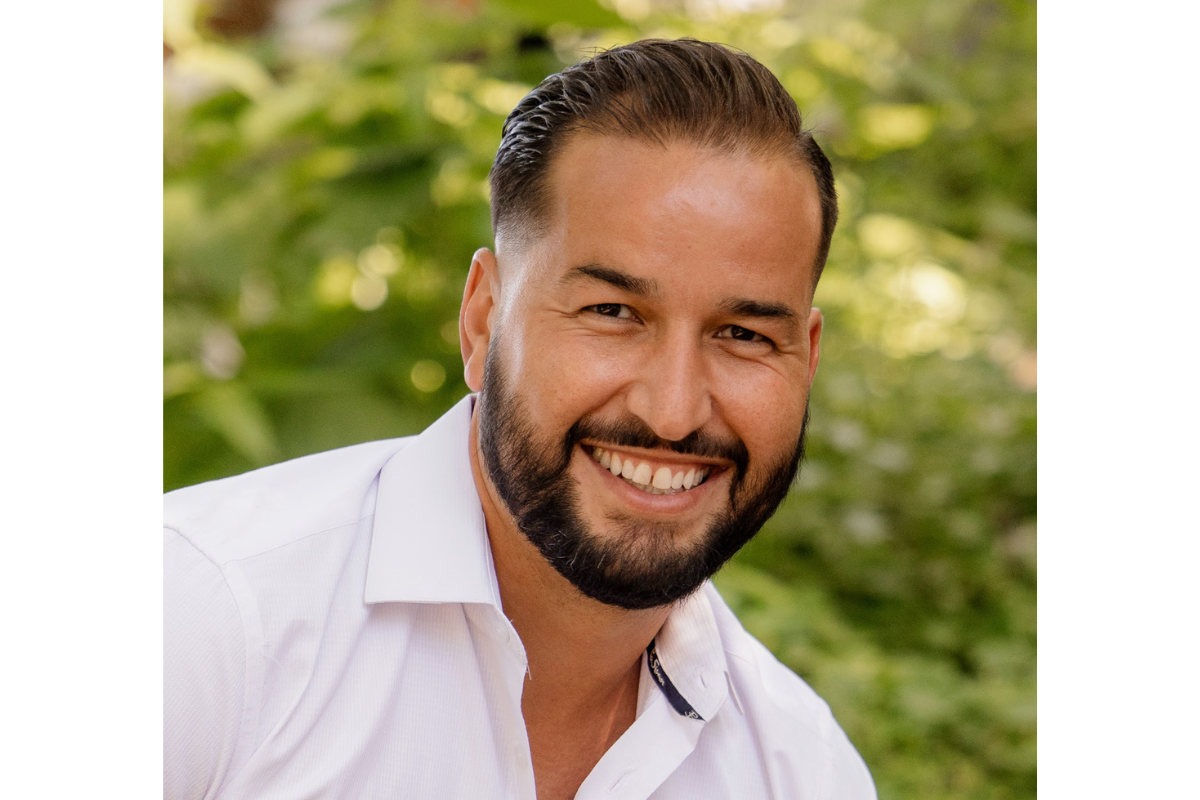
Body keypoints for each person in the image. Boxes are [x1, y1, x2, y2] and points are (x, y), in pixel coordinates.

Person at [165, 38, 876, 800]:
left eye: (743, 335)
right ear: (482, 319)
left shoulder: (802, 770)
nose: (673, 413)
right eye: (612, 313)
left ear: (805, 357)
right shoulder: (199, 620)